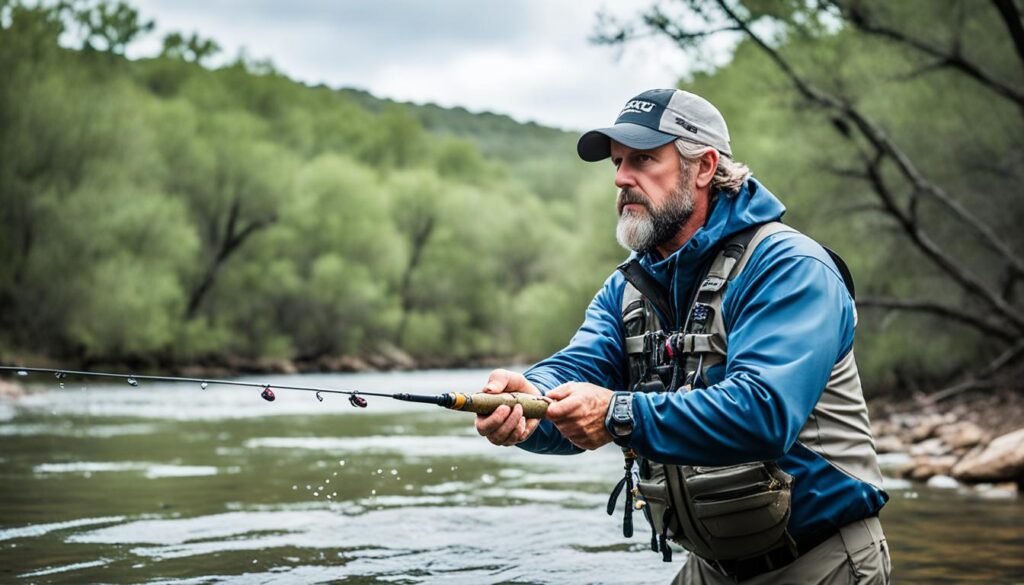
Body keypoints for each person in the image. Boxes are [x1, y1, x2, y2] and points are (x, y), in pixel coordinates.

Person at [474, 89, 890, 584]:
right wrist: (527, 402)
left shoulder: (788, 268)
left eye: (644, 159)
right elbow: (579, 370)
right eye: (618, 162)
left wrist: (615, 414)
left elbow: (763, 413)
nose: (621, 178)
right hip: (708, 569)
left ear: (705, 166)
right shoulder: (626, 287)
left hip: (820, 561)